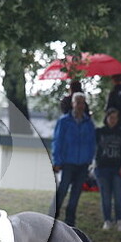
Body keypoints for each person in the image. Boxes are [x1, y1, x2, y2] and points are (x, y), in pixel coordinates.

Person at [48, 92, 96, 226]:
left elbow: (92, 143)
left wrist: (90, 159)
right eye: (78, 102)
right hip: (67, 162)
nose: (80, 105)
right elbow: (57, 142)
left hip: (83, 164)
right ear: (73, 104)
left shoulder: (89, 123)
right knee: (62, 190)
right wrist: (57, 161)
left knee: (76, 194)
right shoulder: (64, 121)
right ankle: (51, 217)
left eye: (82, 103)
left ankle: (70, 222)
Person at [95, 108, 121, 230]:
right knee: (105, 196)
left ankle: (119, 220)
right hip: (102, 169)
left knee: (119, 196)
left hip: (118, 169)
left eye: (115, 118)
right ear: (106, 118)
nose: (113, 120)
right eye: (111, 117)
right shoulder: (99, 132)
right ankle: (107, 220)